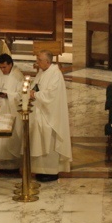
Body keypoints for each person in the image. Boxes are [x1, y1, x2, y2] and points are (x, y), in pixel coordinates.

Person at [29, 50, 72, 182]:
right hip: (40, 112)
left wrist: (35, 95)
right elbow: (35, 87)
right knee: (38, 139)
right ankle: (40, 170)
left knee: (50, 140)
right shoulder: (42, 72)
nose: (37, 62)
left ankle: (52, 172)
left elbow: (51, 94)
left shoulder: (55, 74)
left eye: (39, 60)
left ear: (48, 61)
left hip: (51, 116)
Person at [0, 53, 24, 171]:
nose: (2, 70)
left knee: (10, 137)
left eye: (4, 67)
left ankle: (12, 165)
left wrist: (8, 95)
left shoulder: (18, 76)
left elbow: (21, 94)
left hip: (11, 110)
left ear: (10, 64)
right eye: (1, 67)